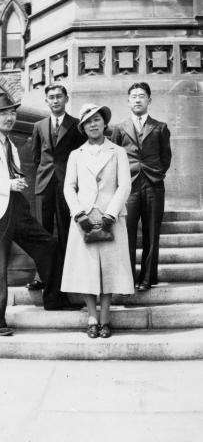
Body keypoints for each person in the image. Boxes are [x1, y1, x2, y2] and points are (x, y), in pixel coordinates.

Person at [0, 93, 80, 336]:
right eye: (4, 113)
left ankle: (54, 299)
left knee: (48, 245)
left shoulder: (12, 146)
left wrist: (17, 182)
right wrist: (7, 184)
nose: (10, 118)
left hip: (17, 208)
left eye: (12, 113)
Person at [61, 103, 134, 338]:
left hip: (110, 218)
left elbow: (125, 185)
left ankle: (105, 318)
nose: (93, 124)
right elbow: (69, 187)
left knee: (109, 270)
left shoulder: (118, 152)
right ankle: (92, 317)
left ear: (104, 123)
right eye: (88, 121)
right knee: (87, 270)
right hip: (84, 219)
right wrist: (79, 214)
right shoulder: (76, 155)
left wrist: (110, 214)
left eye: (97, 120)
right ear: (82, 127)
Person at [111, 82, 172, 292]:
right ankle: (128, 277)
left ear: (149, 100)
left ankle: (148, 278)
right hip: (128, 186)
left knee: (152, 232)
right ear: (128, 101)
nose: (137, 99)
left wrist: (157, 173)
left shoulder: (160, 127)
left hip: (154, 185)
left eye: (142, 96)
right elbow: (115, 157)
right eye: (134, 96)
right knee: (127, 232)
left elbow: (166, 157)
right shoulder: (119, 128)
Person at [28, 83, 85, 291]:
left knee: (65, 230)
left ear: (66, 99)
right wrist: (45, 175)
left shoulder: (76, 125)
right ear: (46, 101)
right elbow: (36, 158)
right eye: (51, 97)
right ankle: (41, 276)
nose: (55, 100)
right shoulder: (39, 126)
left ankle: (67, 275)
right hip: (44, 185)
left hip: (67, 186)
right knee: (42, 231)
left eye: (59, 96)